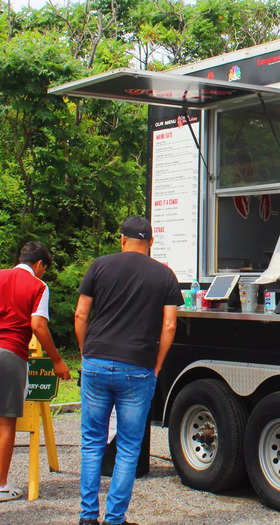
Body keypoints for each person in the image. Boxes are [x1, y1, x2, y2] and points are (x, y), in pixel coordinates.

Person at [74, 217, 182, 525]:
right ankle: (115, 519)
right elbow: (170, 325)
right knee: (128, 446)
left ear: (122, 240)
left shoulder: (99, 266)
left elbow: (81, 314)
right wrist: (158, 364)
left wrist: (86, 352)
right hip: (138, 367)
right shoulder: (164, 275)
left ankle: (86, 517)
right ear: (151, 242)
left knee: (92, 442)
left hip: (96, 361)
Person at [0, 241, 71, 503]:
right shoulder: (38, 287)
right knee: (6, 423)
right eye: (44, 268)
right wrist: (57, 360)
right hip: (11, 353)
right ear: (39, 264)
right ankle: (1, 485)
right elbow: (38, 326)